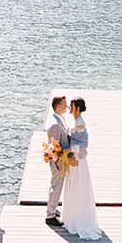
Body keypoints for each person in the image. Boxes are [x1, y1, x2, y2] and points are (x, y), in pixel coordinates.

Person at [60, 98, 102, 239]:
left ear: (77, 108)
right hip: (73, 159)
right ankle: (72, 217)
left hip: (77, 161)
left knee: (78, 188)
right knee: (73, 187)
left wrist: (68, 150)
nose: (69, 109)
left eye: (71, 106)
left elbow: (83, 147)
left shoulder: (80, 124)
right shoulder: (75, 121)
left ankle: (79, 220)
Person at [44, 95, 70, 227]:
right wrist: (70, 149)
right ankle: (50, 215)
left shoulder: (60, 119)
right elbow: (55, 147)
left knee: (56, 184)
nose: (67, 106)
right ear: (58, 106)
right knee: (56, 186)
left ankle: (53, 208)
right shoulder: (55, 125)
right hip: (57, 161)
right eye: (65, 104)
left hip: (60, 159)